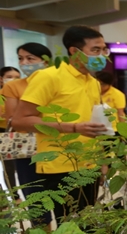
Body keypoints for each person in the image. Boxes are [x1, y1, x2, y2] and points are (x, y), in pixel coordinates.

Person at [13, 26, 110, 222]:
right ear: (74, 51)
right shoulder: (49, 76)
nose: (102, 55)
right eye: (95, 50)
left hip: (89, 162)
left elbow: (94, 125)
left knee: (88, 224)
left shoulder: (92, 82)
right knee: (69, 225)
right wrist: (73, 128)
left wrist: (103, 161)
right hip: (60, 164)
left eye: (104, 50)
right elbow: (20, 120)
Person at [0, 43, 52, 188]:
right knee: (33, 191)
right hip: (27, 146)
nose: (24, 63)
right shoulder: (13, 86)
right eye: (20, 58)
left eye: (30, 58)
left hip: (56, 142)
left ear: (45, 61)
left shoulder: (58, 83)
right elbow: (13, 118)